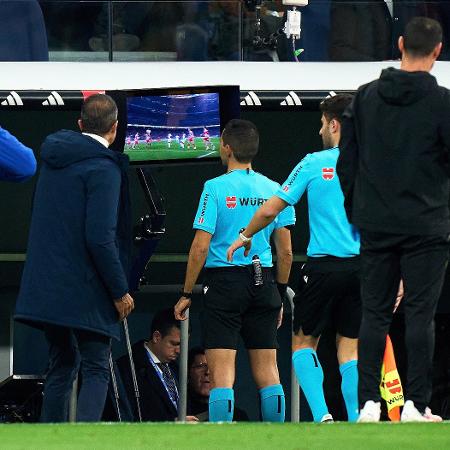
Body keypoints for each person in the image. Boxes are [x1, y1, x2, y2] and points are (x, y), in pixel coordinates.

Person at [336, 17, 450, 422]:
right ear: (437, 51)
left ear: (400, 44)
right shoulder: (442, 103)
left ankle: (368, 403)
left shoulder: (364, 98)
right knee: (420, 314)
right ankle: (417, 405)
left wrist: (357, 212)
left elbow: (346, 163)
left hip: (376, 222)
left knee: (375, 312)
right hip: (427, 224)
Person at [227, 94, 363, 423]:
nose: (319, 132)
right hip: (363, 268)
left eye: (321, 124)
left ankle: (321, 417)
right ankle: (358, 419)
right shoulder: (373, 161)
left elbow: (273, 208)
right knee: (350, 348)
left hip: (323, 267)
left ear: (334, 124)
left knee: (303, 342)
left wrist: (245, 235)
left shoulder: (313, 163)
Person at [14, 94, 134, 422]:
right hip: (85, 288)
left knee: (61, 362)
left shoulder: (53, 160)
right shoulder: (105, 167)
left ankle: (50, 440)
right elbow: (99, 238)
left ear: (80, 124)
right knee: (97, 367)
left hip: (47, 286)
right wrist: (119, 290)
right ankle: (84, 442)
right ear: (115, 128)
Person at [174, 119, 295, 423]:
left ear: (226, 148)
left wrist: (186, 292)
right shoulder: (275, 189)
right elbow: (286, 252)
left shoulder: (214, 188)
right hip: (264, 281)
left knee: (222, 374)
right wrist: (278, 293)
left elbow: (200, 247)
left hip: (224, 283)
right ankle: (277, 441)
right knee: (269, 371)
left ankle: (221, 440)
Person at [117, 308, 197, 422]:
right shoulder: (127, 368)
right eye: (174, 344)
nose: (179, 350)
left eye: (183, 345)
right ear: (156, 337)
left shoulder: (176, 368)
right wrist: (171, 424)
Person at [186, 347, 248, 421]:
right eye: (200, 366)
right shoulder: (178, 412)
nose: (208, 372)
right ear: (188, 372)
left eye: (213, 367)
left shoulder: (237, 417)